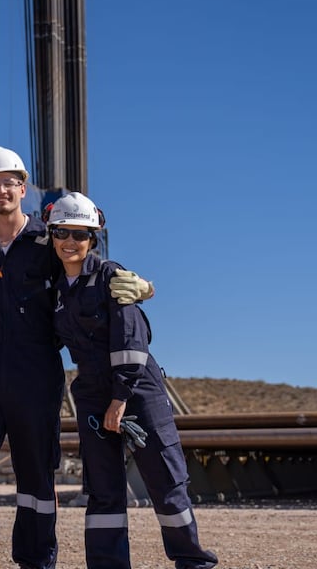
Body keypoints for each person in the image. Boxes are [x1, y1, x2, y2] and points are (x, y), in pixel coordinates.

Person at [0, 147, 154, 569]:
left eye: (9, 182)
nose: (2, 190)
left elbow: (87, 268)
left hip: (34, 376)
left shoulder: (48, 242)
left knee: (36, 476)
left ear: (23, 187)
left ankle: (36, 561)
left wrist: (137, 284)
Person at [46, 192, 218, 569]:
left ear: (94, 238)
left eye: (80, 234)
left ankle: (193, 562)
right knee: (103, 491)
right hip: (92, 393)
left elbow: (130, 340)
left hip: (137, 391)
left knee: (165, 483)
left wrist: (120, 398)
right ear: (52, 234)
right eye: (62, 232)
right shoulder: (57, 291)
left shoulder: (111, 277)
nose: (70, 242)